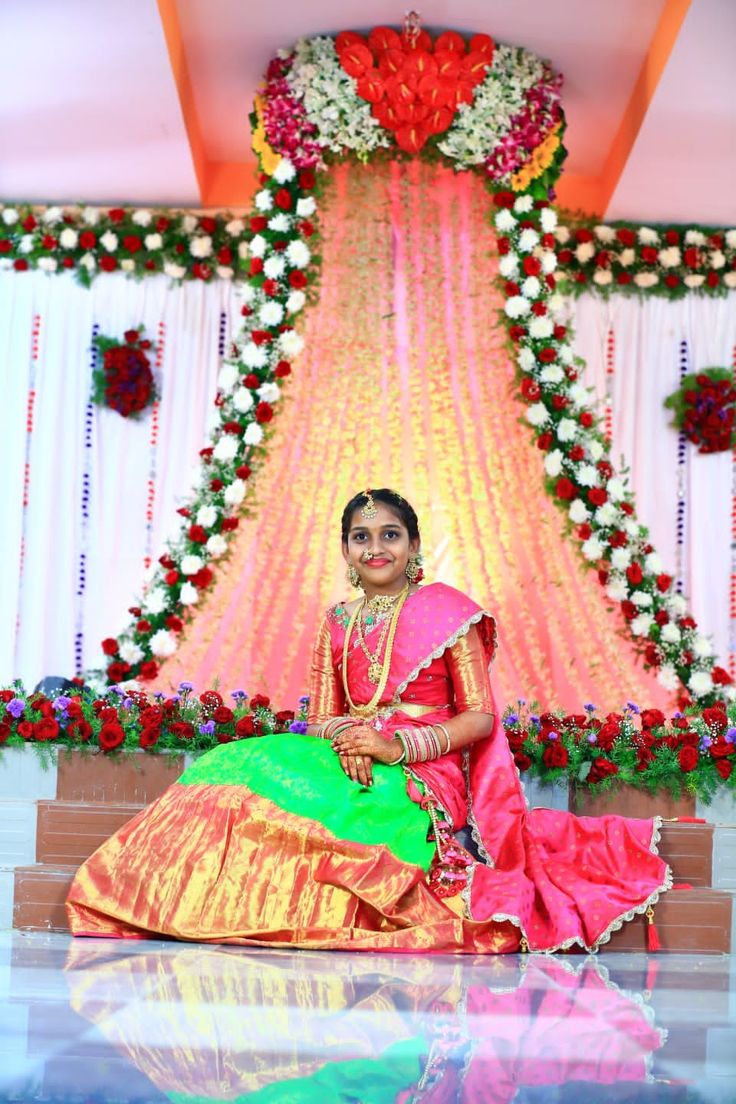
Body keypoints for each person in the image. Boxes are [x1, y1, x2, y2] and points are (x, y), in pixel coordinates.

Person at [66, 488, 671, 952]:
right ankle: (160, 899)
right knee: (230, 764)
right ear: (347, 550)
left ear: (412, 545)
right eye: (361, 537)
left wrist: (392, 746)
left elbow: (480, 719)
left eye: (389, 534)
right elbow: (321, 716)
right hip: (349, 750)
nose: (375, 547)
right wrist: (354, 739)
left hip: (423, 769)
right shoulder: (337, 620)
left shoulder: (450, 614)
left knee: (338, 813)